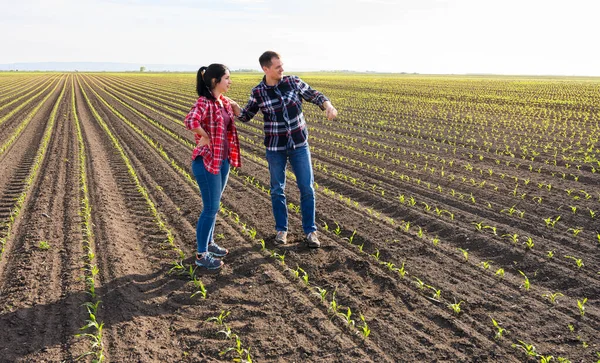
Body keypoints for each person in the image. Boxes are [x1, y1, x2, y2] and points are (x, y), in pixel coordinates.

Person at [231, 51, 338, 248]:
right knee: (277, 189)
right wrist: (235, 106)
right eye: (278, 67)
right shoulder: (258, 92)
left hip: (299, 145)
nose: (282, 69)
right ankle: (282, 230)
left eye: (282, 65)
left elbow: (315, 95)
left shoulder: (293, 82)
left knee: (307, 188)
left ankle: (310, 231)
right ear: (266, 69)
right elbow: (246, 116)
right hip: (275, 148)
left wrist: (328, 106)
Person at [185, 64, 242, 269]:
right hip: (207, 161)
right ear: (214, 81)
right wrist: (205, 136)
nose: (230, 81)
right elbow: (190, 120)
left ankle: (208, 244)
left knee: (214, 205)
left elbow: (238, 114)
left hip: (222, 160)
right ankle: (201, 256)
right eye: (226, 78)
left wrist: (235, 106)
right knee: (210, 208)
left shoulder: (223, 102)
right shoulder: (204, 102)